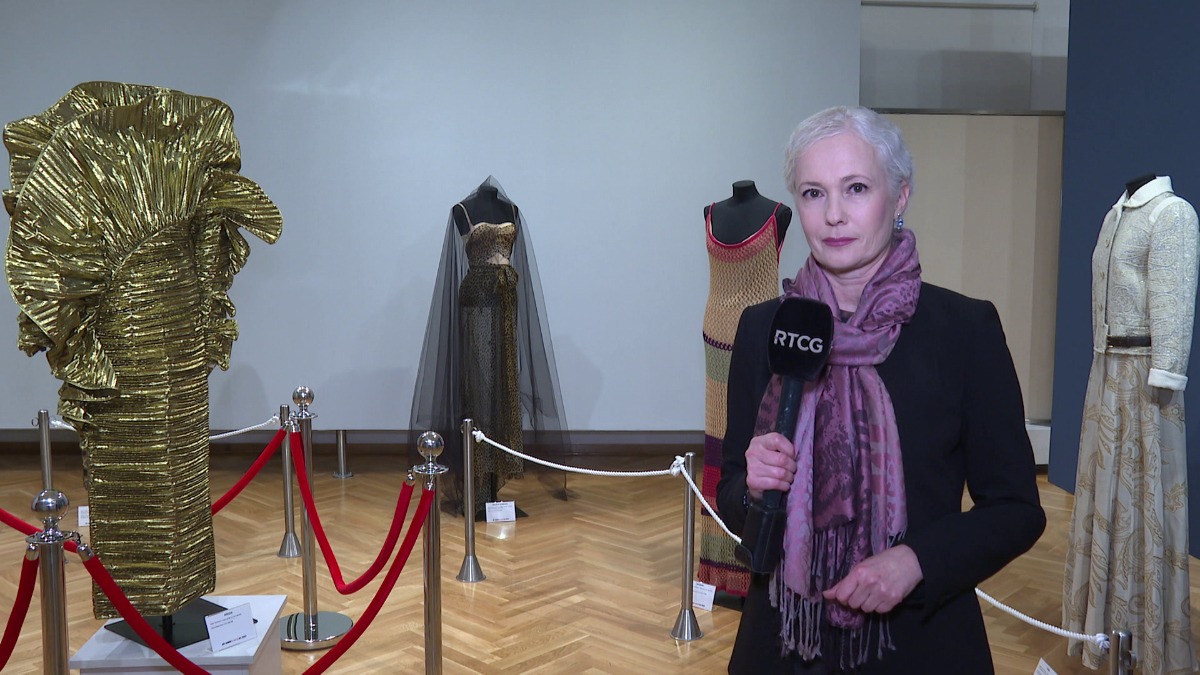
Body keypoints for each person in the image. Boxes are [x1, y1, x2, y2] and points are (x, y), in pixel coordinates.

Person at [716, 106, 1046, 673]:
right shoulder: (761, 328)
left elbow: (1016, 509)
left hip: (919, 641)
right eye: (814, 194)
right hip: (783, 646)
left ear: (900, 197)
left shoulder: (964, 331)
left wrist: (917, 561)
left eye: (856, 188)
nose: (834, 215)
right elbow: (730, 500)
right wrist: (752, 489)